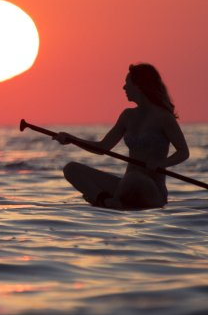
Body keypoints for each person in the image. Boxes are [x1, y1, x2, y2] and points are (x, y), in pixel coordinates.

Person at [57, 63, 189, 209]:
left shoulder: (164, 117)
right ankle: (104, 200)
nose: (124, 87)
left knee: (134, 177)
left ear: (139, 85)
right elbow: (103, 147)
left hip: (152, 190)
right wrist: (72, 139)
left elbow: (183, 152)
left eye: (127, 83)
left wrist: (161, 163)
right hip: (125, 185)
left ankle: (109, 201)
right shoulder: (127, 116)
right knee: (71, 169)